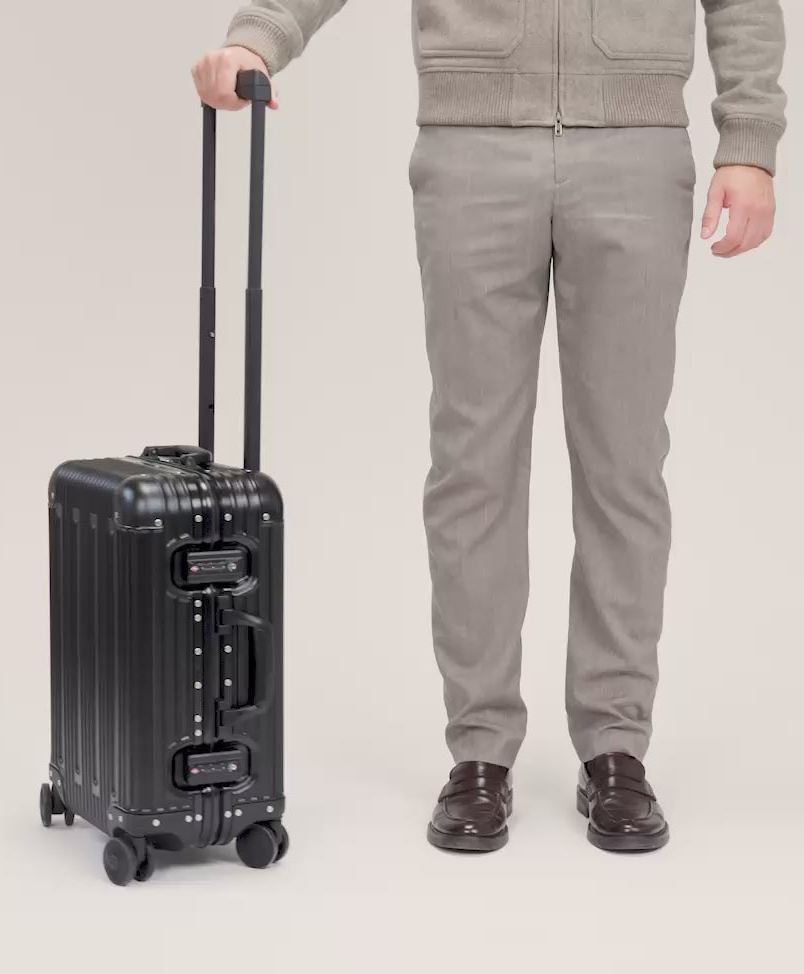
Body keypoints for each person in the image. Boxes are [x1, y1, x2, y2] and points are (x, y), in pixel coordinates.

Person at [192, 1, 786, 854]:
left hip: (637, 152)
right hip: (470, 150)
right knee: (472, 465)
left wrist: (750, 141)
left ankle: (616, 746)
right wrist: (259, 36)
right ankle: (479, 752)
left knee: (625, 465)